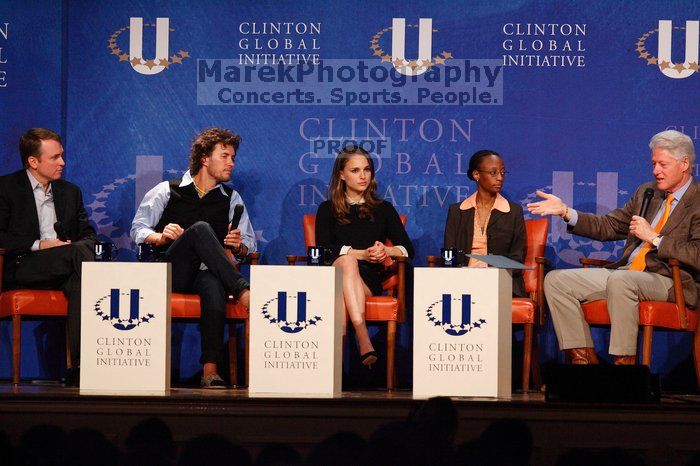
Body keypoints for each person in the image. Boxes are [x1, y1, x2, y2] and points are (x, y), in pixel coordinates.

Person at [527, 130, 699, 364]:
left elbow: (697, 255)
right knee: (557, 281)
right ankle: (584, 363)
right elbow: (608, 225)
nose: (655, 171)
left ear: (685, 163)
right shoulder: (647, 192)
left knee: (622, 281)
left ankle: (624, 367)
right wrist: (566, 212)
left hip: (670, 281)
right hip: (627, 275)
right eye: (653, 163)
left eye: (663, 164)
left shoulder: (696, 201)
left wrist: (655, 238)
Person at [131, 127, 256, 388]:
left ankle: (210, 370)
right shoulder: (167, 190)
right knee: (200, 229)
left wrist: (239, 247)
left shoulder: (232, 199)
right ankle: (243, 292)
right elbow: (137, 230)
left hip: (206, 273)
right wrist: (159, 236)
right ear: (204, 158)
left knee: (212, 284)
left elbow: (249, 245)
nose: (231, 163)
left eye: (233, 157)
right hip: (171, 271)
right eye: (224, 156)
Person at [0, 128, 97, 386]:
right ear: (33, 162)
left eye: (62, 156)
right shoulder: (6, 188)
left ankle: (81, 367)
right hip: (22, 266)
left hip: (66, 264)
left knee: (79, 280)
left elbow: (88, 235)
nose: (62, 162)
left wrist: (70, 247)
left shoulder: (70, 191)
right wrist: (40, 245)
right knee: (78, 255)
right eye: (55, 157)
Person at [315, 145, 414, 366]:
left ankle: (332, 370)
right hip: (332, 277)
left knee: (344, 281)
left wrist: (384, 250)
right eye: (355, 170)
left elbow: (407, 249)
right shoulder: (327, 209)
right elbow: (323, 250)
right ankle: (363, 337)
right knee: (346, 262)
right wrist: (360, 254)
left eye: (367, 169)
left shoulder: (383, 209)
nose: (363, 176)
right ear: (341, 174)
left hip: (368, 280)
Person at [443, 149, 526, 297]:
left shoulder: (513, 212)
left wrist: (489, 277)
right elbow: (449, 255)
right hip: (462, 283)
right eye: (493, 173)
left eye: (502, 172)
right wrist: (453, 279)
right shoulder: (457, 211)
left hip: (500, 283)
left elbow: (517, 258)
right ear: (476, 175)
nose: (500, 177)